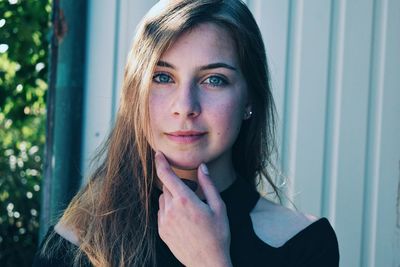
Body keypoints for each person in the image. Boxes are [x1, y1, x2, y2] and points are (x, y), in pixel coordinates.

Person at [33, 0, 339, 266]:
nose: (185, 106)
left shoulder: (304, 244)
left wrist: (210, 261)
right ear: (135, 93)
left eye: (214, 80)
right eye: (163, 77)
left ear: (249, 100)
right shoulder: (80, 240)